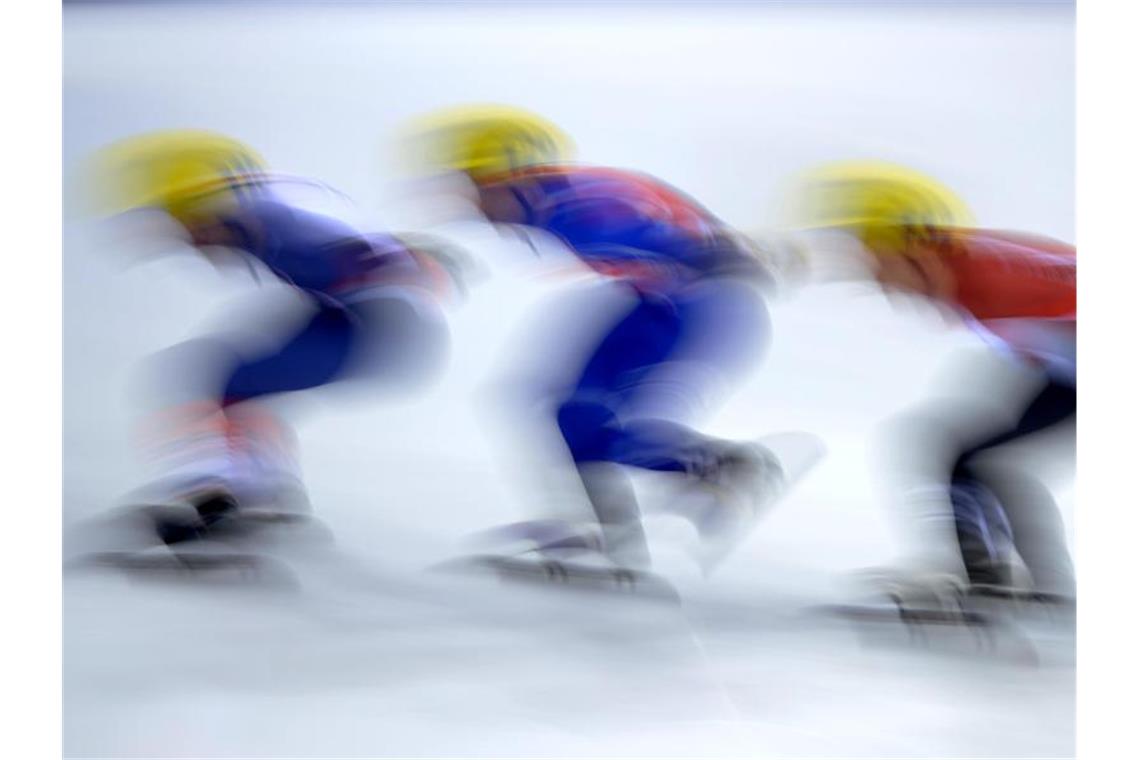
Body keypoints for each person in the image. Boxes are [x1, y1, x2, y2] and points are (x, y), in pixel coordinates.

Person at [410, 105, 803, 574]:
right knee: (571, 414)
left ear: (512, 175)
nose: (467, 202)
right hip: (660, 302)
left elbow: (683, 242)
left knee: (610, 425)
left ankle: (727, 468)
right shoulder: (557, 202)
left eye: (474, 186)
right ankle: (609, 532)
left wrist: (730, 253)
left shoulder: (583, 206)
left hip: (699, 306)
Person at [91, 130, 465, 545]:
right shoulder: (257, 212)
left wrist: (414, 262)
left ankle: (223, 497)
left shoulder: (285, 229)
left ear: (207, 207)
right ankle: (251, 495)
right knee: (229, 378)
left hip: (384, 328)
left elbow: (361, 252)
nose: (182, 239)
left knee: (223, 382)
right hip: (353, 316)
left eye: (178, 221)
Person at [795, 161, 1075, 600]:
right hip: (1067, 365)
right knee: (972, 459)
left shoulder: (995, 285)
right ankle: (1003, 581)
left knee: (976, 459)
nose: (870, 277)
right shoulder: (972, 271)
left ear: (913, 243)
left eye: (869, 255)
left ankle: (1020, 585)